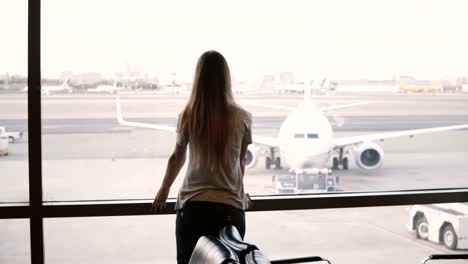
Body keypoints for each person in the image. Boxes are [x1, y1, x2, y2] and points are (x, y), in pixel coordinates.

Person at [152, 50, 253, 264]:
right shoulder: (243, 117)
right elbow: (240, 162)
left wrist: (164, 189)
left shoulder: (189, 115)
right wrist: (240, 193)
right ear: (227, 78)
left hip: (193, 208)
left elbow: (177, 158)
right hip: (230, 209)